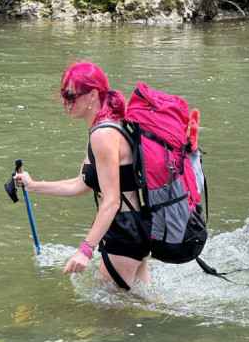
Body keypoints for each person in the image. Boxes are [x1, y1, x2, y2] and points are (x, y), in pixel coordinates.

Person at [14, 61, 150, 288]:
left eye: (71, 95)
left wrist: (85, 250)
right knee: (144, 308)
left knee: (109, 319)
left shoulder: (103, 135)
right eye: (63, 95)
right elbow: (81, 184)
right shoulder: (103, 128)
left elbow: (112, 201)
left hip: (125, 233)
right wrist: (33, 185)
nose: (66, 102)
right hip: (133, 228)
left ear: (93, 95)